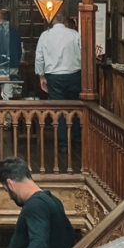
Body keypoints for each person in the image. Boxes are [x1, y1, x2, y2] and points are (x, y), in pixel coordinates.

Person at [34, 12, 82, 163]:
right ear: (65, 21)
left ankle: (63, 144)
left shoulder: (45, 36)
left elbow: (39, 56)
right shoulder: (75, 34)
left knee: (59, 110)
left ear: (52, 21)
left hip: (54, 76)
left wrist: (41, 75)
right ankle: (76, 140)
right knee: (74, 108)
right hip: (74, 74)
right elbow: (83, 53)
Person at [0, 10, 22, 98]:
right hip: (14, 63)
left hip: (2, 64)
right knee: (7, 90)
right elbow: (20, 49)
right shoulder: (14, 30)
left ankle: (6, 110)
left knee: (4, 93)